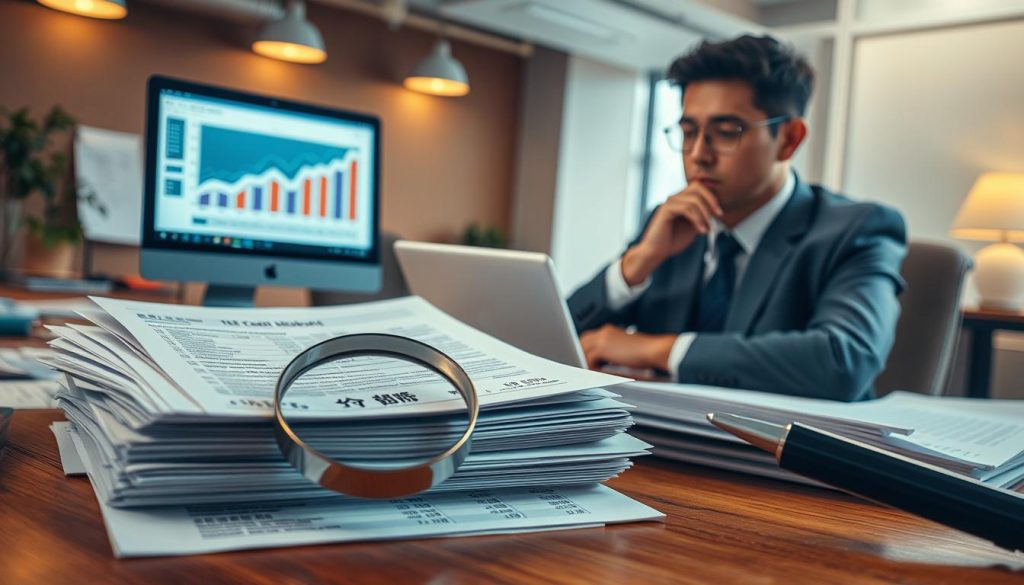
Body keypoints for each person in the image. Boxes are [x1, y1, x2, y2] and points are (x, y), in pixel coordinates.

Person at [567, 34, 906, 402]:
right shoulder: (669, 224)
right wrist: (636, 265)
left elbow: (845, 361)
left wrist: (659, 350)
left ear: (789, 139)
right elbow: (555, 338)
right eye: (688, 132)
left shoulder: (857, 230)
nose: (698, 154)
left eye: (726, 133)